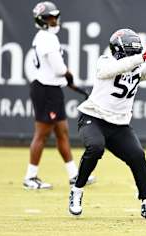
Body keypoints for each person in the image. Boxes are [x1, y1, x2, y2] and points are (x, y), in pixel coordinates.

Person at [68, 29, 146, 219]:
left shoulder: (137, 65)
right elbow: (112, 70)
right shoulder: (105, 61)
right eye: (133, 51)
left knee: (138, 156)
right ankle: (77, 190)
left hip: (119, 124)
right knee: (95, 148)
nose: (136, 55)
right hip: (94, 117)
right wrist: (141, 57)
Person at [24, 1, 95, 190]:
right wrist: (68, 75)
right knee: (42, 133)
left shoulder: (43, 37)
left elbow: (55, 70)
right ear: (41, 21)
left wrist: (66, 79)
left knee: (62, 131)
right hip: (46, 90)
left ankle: (74, 175)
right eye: (49, 17)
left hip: (51, 89)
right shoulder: (47, 38)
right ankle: (30, 177)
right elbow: (58, 68)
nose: (54, 20)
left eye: (54, 16)